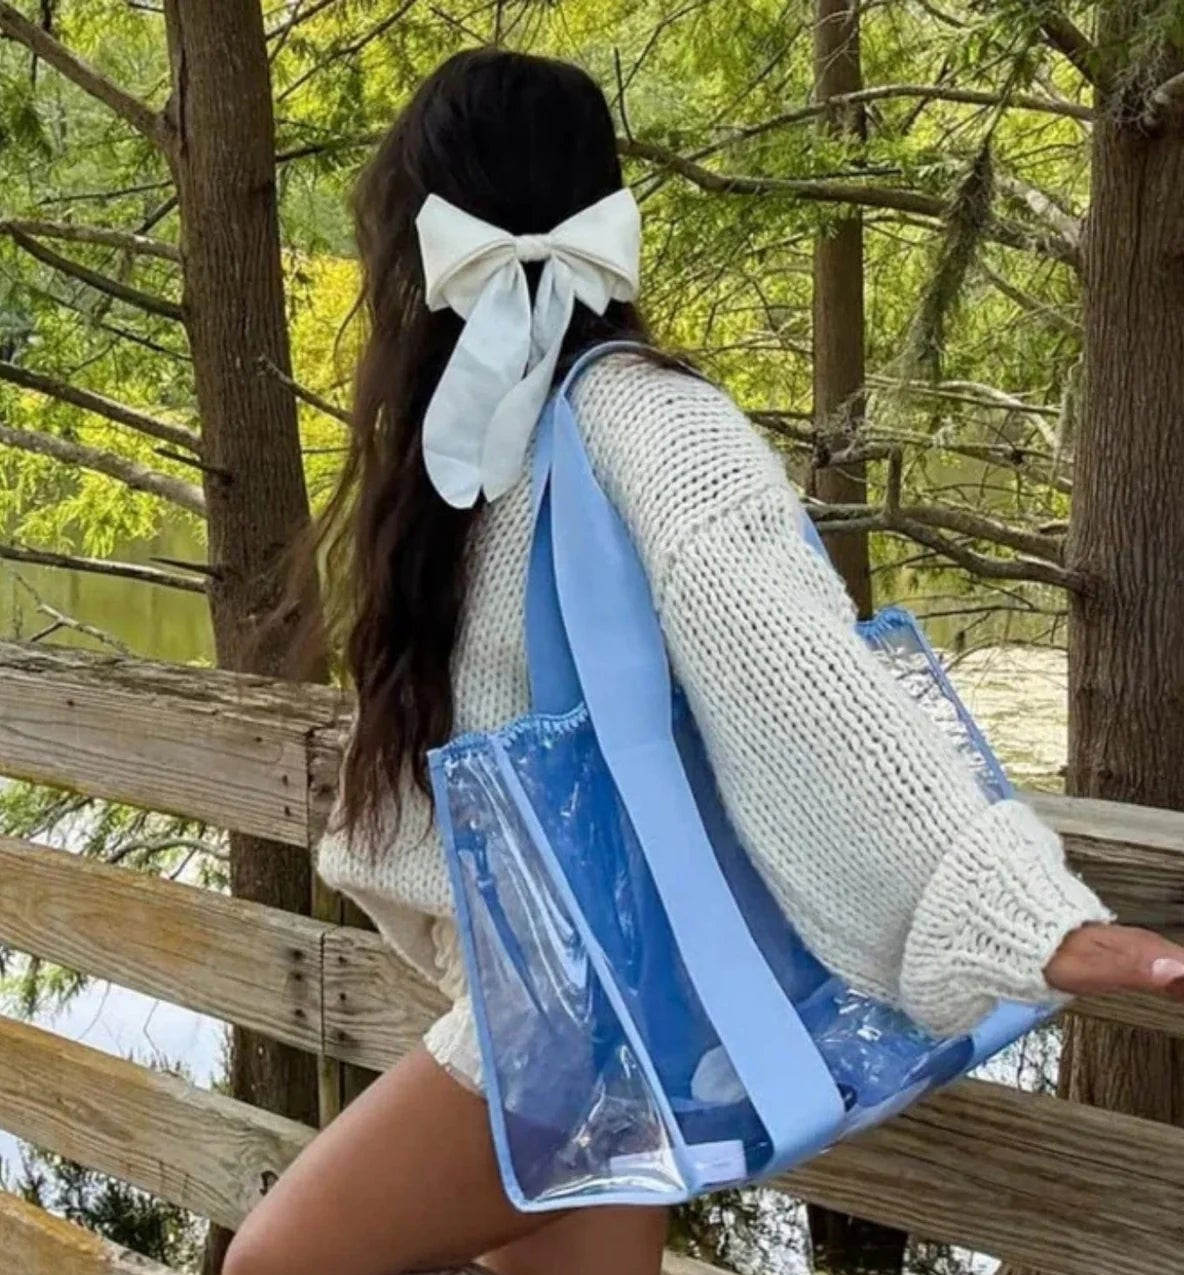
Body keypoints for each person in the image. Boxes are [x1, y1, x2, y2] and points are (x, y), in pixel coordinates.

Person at [224, 47, 1184, 1275]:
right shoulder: (484, 435)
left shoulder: (647, 422)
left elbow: (801, 678)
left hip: (594, 1012)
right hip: (574, 1005)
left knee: (276, 1262)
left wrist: (1019, 917)